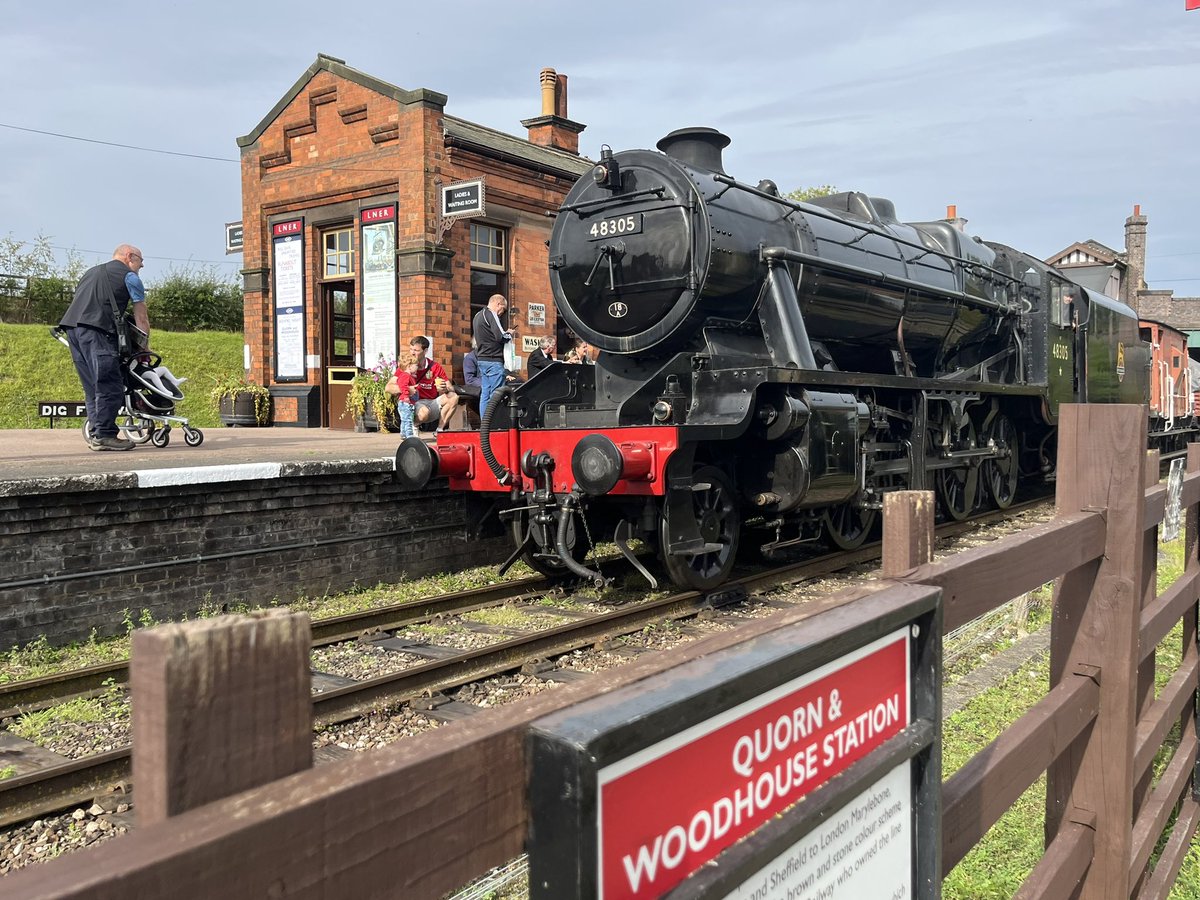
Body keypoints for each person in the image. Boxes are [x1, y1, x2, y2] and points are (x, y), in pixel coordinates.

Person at [59, 244, 150, 451]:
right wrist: (144, 349)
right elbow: (141, 317)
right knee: (110, 383)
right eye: (140, 261)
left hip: (73, 330)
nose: (141, 265)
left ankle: (97, 433)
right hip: (98, 331)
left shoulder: (90, 272)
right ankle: (106, 435)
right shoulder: (130, 278)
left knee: (93, 386)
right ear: (130, 257)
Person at [472, 294, 517, 412]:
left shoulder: (477, 315)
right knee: (497, 395)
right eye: (503, 309)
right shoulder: (491, 314)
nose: (502, 313)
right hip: (494, 360)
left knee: (485, 395)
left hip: (482, 359)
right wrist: (509, 334)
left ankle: (485, 423)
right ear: (498, 304)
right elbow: (500, 337)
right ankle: (494, 424)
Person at [408, 335, 459, 431]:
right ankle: (415, 425)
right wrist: (407, 389)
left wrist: (445, 389)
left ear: (425, 351)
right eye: (411, 349)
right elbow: (389, 387)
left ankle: (439, 430)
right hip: (415, 403)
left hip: (432, 403)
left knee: (454, 397)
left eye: (416, 350)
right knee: (424, 412)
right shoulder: (406, 365)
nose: (412, 353)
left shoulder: (435, 366)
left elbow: (451, 387)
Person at [392, 351, 420, 438]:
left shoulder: (408, 376)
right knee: (408, 420)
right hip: (405, 402)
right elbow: (403, 387)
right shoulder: (406, 376)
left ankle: (403, 434)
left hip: (406, 402)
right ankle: (409, 436)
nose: (417, 368)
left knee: (405, 419)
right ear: (409, 366)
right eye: (416, 365)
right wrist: (406, 396)